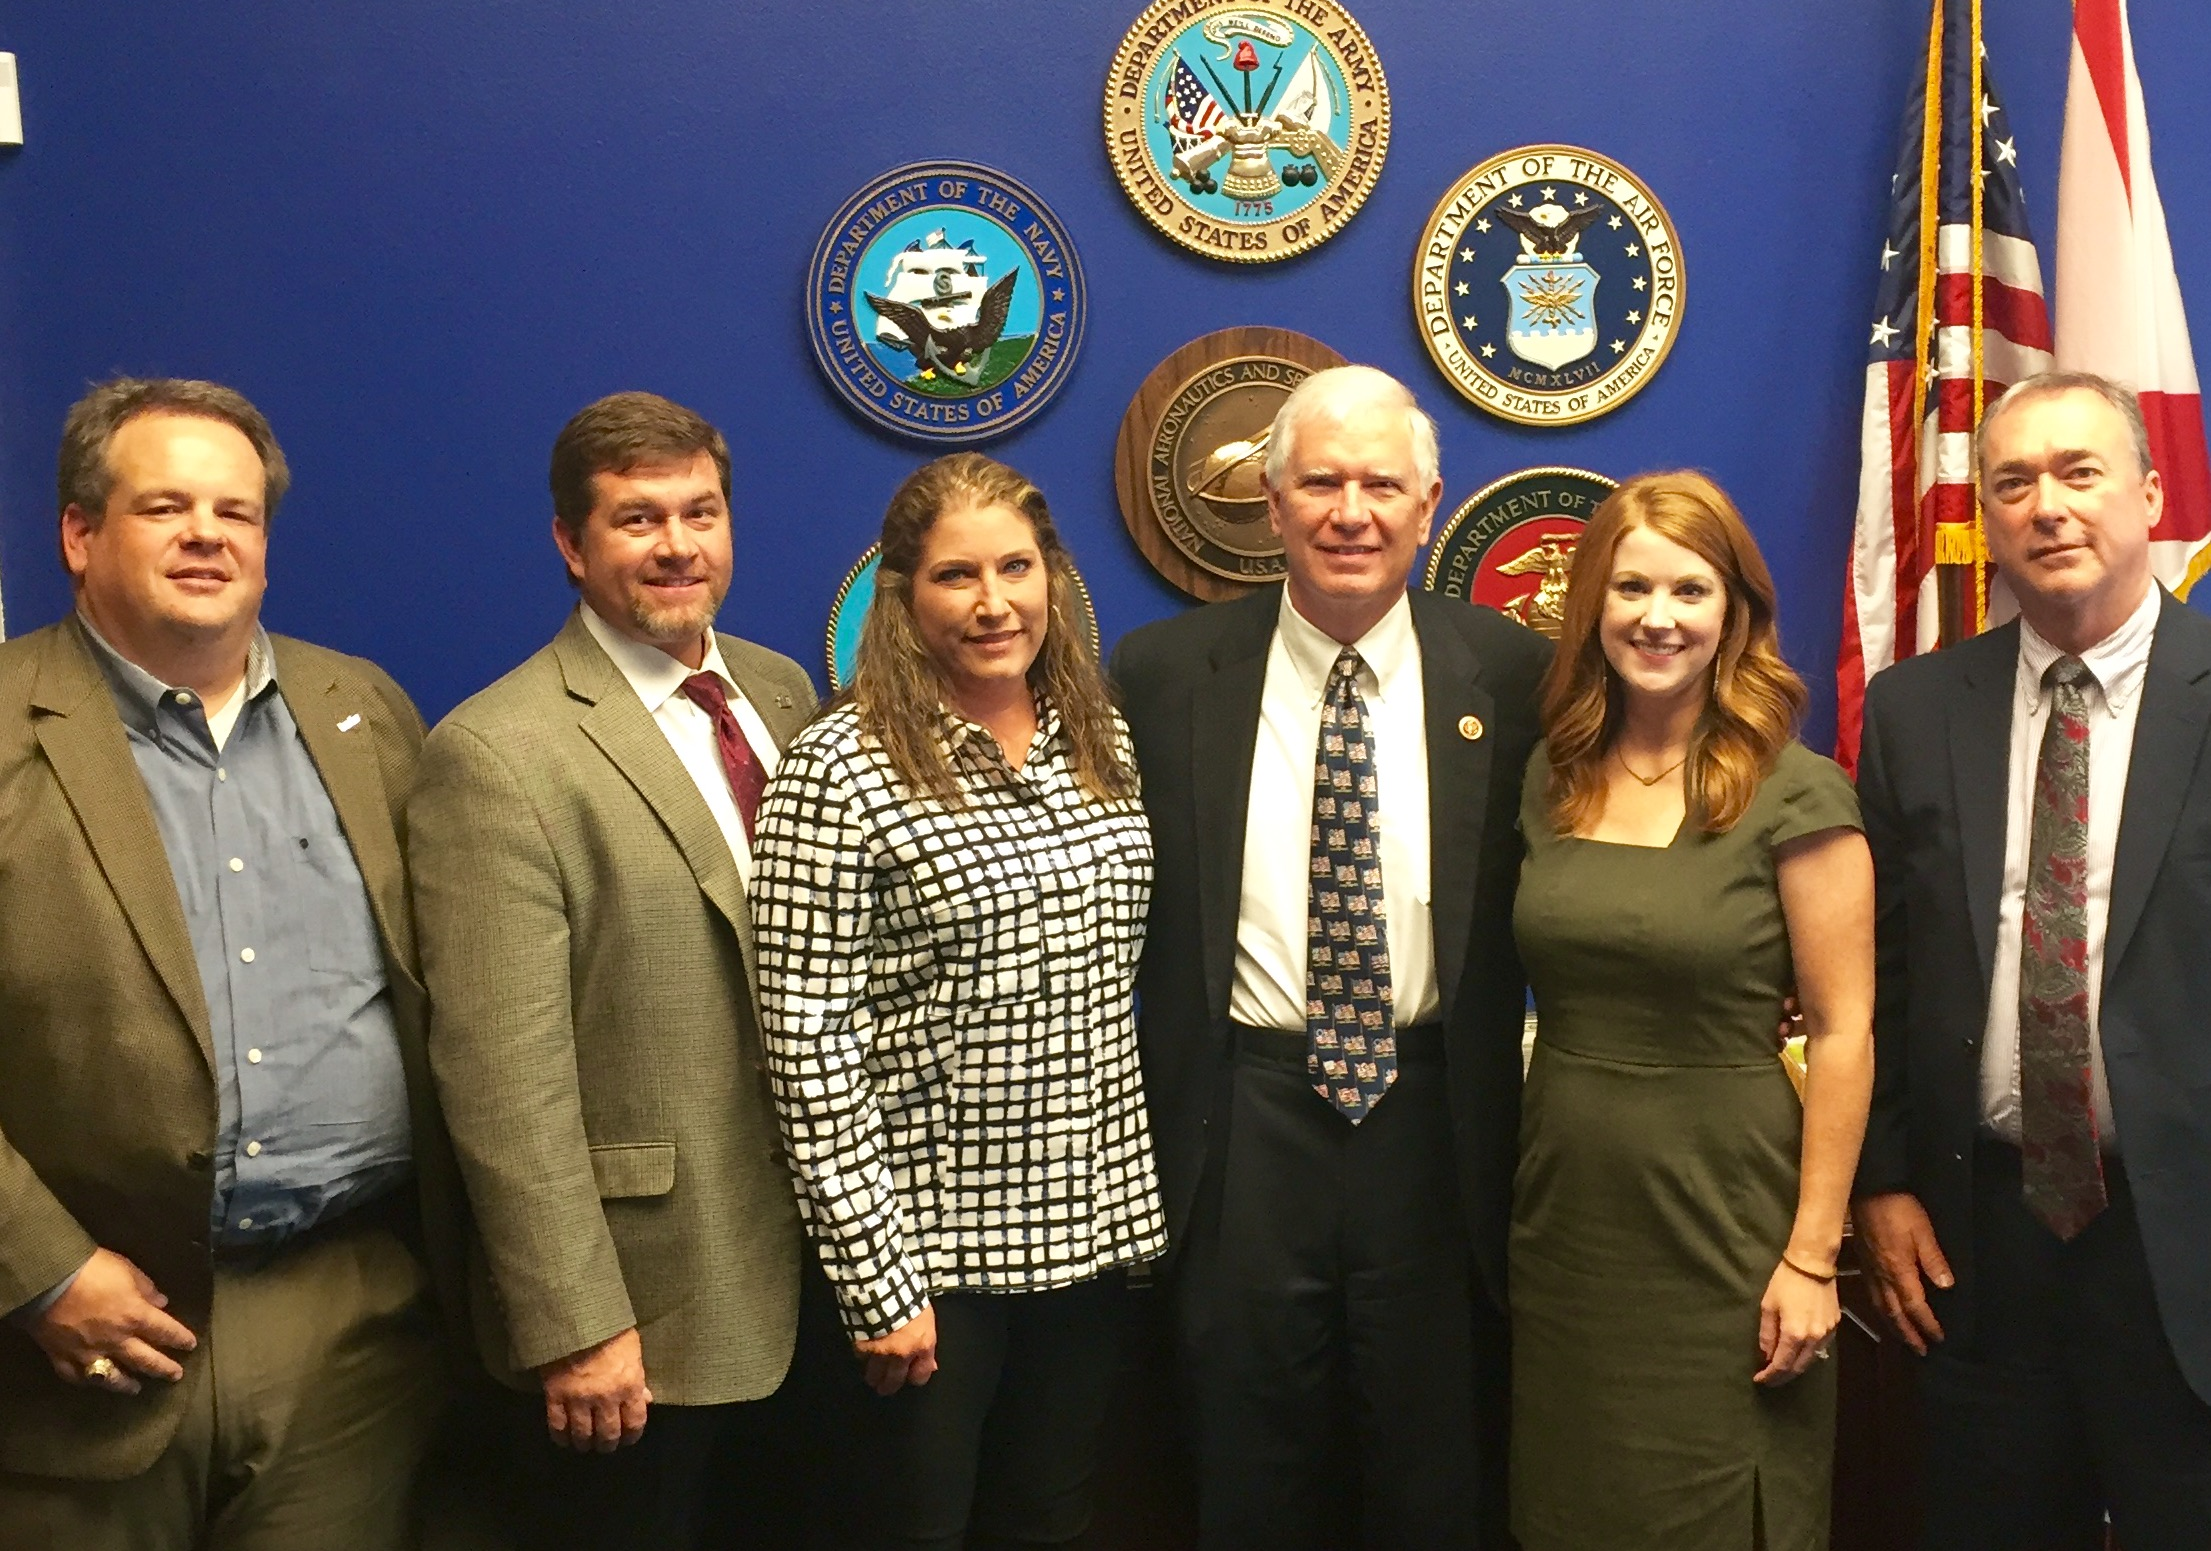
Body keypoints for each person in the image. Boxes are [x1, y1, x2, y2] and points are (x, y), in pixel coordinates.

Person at [0, 377, 466, 1550]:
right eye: (163, 507)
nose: (206, 534)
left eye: (236, 512)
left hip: (349, 1324)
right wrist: (39, 1271)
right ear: (78, 535)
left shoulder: (363, 709)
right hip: (83, 1337)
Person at [1112, 364, 1551, 1550]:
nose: (1350, 512)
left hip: (1436, 1117)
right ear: (1270, 501)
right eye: (1320, 483)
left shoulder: (1516, 676)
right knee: (1249, 1470)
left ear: (1429, 503)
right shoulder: (1161, 676)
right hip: (1244, 1116)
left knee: (1433, 1472)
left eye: (1380, 485)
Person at [406, 392, 817, 1551]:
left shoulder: (783, 693)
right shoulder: (496, 755)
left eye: (701, 511)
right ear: (570, 545)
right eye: (639, 520)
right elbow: (500, 1080)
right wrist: (576, 1325)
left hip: (815, 1281)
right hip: (647, 1310)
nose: (679, 545)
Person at [750, 451, 1165, 1551]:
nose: (993, 604)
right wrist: (878, 1280)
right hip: (935, 1265)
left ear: (1053, 577)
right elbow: (807, 1043)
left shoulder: (1105, 740)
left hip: (1094, 1244)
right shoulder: (841, 767)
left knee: (1055, 1521)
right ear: (903, 597)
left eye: (1016, 568)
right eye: (956, 577)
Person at [1853, 371, 2211, 1549]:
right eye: (2014, 482)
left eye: (2079, 472)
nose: (2047, 505)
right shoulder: (1914, 710)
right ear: (1986, 516)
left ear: (2152, 495)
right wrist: (1887, 1177)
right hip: (1982, 1234)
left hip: (2187, 1235)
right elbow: (1886, 970)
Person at [1507, 471, 1873, 1550]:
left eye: (1689, 590)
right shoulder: (1552, 776)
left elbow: (1846, 1033)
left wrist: (1813, 1257)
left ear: (1736, 613)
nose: (1657, 618)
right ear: (1592, 606)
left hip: (1729, 1224)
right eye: (1630, 588)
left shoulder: (1795, 790)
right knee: (1571, 1508)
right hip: (1568, 1223)